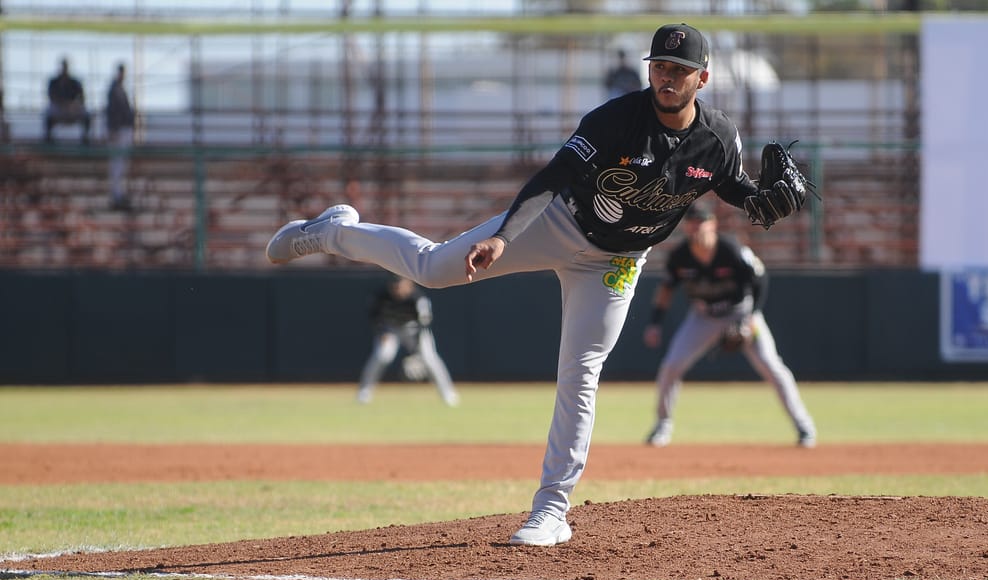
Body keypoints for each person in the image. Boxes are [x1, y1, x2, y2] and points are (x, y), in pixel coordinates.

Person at [265, 23, 804, 546]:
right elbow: (552, 176)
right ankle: (337, 233)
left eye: (679, 70)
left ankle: (551, 510)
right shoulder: (614, 120)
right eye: (659, 65)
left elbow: (733, 187)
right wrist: (504, 236)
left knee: (581, 371)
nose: (666, 77)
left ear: (701, 79)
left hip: (617, 259)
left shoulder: (718, 136)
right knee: (432, 268)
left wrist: (762, 201)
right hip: (557, 223)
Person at [641, 205, 817, 448]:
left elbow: (759, 278)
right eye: (691, 223)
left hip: (740, 312)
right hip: (703, 316)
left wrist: (751, 317)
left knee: (771, 366)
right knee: (671, 365)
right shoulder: (680, 256)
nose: (695, 227)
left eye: (700, 222)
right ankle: (663, 425)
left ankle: (804, 426)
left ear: (712, 224)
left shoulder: (731, 249)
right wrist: (655, 323)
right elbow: (666, 290)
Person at [357, 276, 459, 407]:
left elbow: (424, 324)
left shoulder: (417, 298)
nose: (397, 289)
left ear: (409, 284)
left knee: (429, 358)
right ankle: (365, 391)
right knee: (382, 355)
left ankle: (448, 393)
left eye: (400, 285)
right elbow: (374, 316)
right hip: (390, 329)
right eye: (394, 286)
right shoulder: (382, 295)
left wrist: (416, 351)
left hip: (414, 330)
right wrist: (381, 332)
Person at [105, 63, 136, 210]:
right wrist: (113, 130)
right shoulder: (114, 90)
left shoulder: (119, 89)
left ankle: (119, 194)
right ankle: (116, 195)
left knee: (121, 164)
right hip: (118, 130)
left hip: (122, 129)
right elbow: (112, 112)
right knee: (117, 165)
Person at [43, 58, 92, 144]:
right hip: (59, 108)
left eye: (66, 66)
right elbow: (51, 96)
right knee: (48, 113)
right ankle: (48, 138)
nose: (64, 68)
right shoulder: (54, 82)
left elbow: (82, 97)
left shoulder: (74, 82)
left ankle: (85, 138)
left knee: (86, 114)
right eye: (63, 66)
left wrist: (73, 105)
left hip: (72, 109)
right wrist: (62, 104)